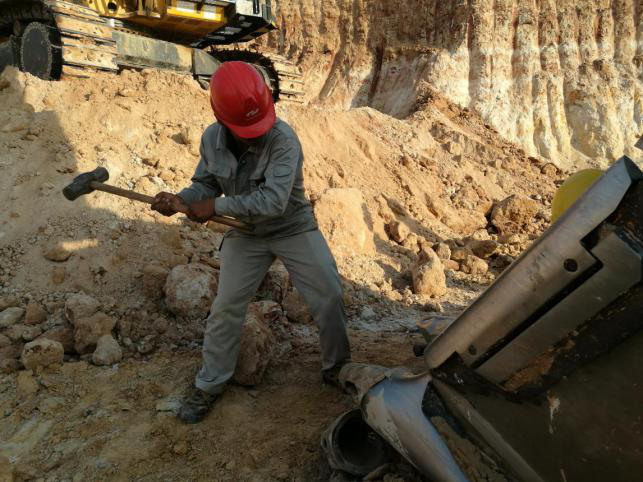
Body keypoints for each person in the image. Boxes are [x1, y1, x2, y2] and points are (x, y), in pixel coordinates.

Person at [151, 61, 351, 424]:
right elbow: (205, 185)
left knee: (329, 294)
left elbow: (273, 202)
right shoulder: (211, 139)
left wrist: (214, 207)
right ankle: (209, 384)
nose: (253, 134)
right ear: (221, 117)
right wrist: (182, 200)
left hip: (292, 226)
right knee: (226, 307)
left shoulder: (284, 140)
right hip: (245, 231)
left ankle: (337, 368)